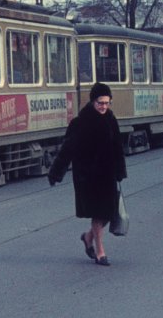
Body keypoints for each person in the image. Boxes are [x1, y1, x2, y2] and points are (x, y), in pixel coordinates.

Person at [47, 82, 127, 267]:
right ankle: (100, 251)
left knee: (108, 213)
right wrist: (56, 173)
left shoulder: (110, 119)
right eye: (101, 103)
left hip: (106, 175)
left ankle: (88, 237)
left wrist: (120, 170)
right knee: (98, 213)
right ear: (93, 101)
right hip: (88, 177)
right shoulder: (80, 122)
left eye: (107, 103)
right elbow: (67, 149)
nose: (104, 107)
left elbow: (117, 147)